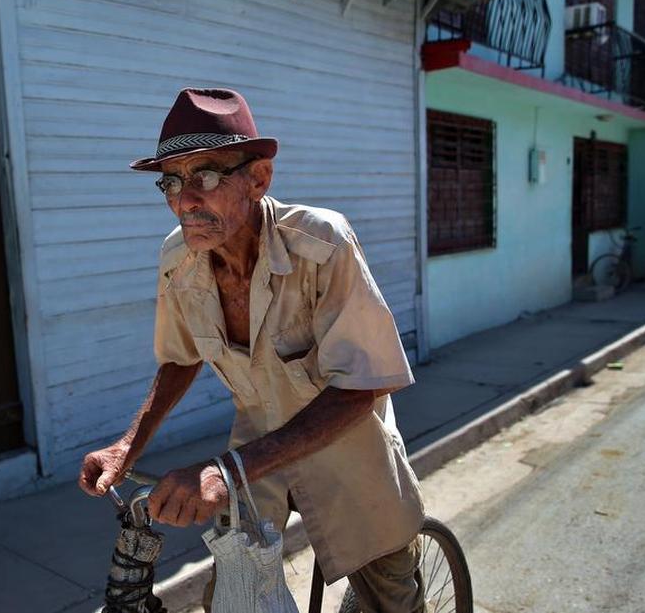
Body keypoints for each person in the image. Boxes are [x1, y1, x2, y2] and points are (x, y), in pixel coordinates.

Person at [78, 88, 426, 612]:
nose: (185, 200)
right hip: (254, 449)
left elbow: (364, 383)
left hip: (351, 447)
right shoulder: (178, 258)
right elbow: (180, 355)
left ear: (258, 179)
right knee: (235, 600)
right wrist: (129, 446)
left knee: (392, 599)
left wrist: (225, 472)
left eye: (206, 176)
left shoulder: (322, 244)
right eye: (172, 182)